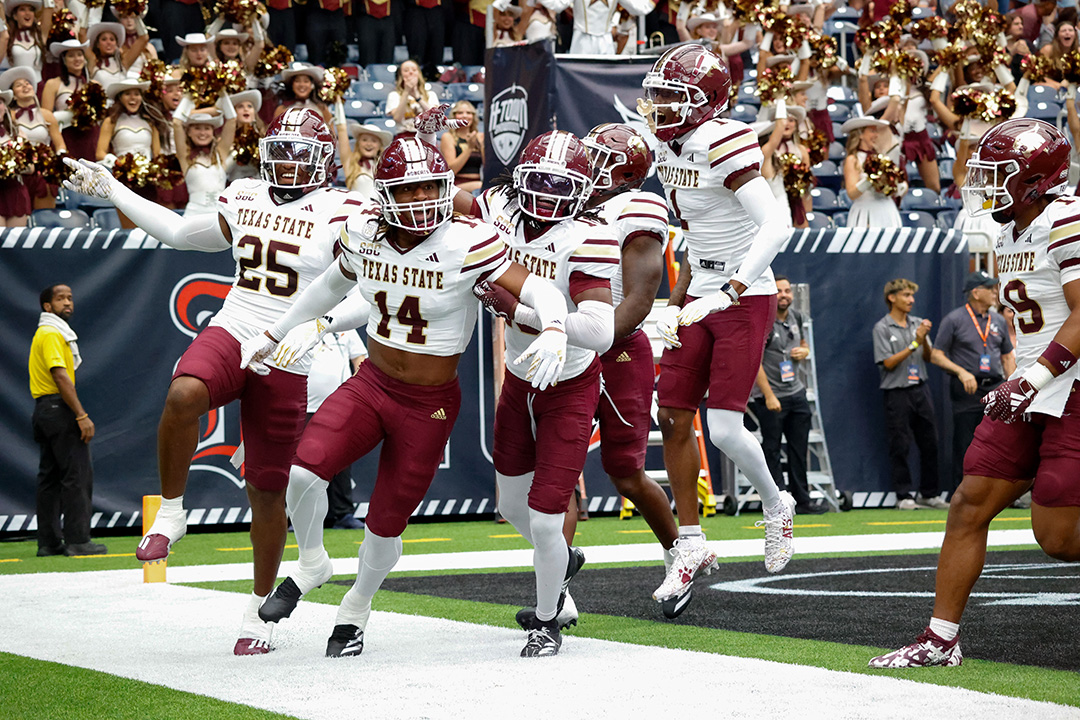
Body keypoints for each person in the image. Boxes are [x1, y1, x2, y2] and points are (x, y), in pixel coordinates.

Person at [238, 134, 570, 659]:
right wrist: (279, 331)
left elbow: (537, 289)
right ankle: (312, 562)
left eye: (428, 188)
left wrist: (554, 326)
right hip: (373, 381)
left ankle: (355, 610)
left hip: (429, 402)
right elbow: (331, 283)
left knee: (385, 522)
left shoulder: (468, 240)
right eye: (408, 190)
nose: (420, 200)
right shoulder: (364, 228)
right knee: (303, 471)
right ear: (386, 194)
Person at [62, 107, 362, 656]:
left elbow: (370, 286)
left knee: (268, 493)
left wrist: (321, 323)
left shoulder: (346, 210)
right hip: (238, 320)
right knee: (183, 393)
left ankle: (260, 612)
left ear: (323, 162)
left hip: (290, 347)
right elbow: (179, 231)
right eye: (283, 151)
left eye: (301, 154)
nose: (290, 164)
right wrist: (114, 190)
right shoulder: (245, 195)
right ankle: (173, 514)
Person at [871, 118, 1080, 668]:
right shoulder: (1011, 227)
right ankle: (941, 639)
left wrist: (1028, 381)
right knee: (968, 503)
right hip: (1033, 383)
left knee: (1057, 537)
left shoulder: (1066, 218)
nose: (986, 184)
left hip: (1070, 381)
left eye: (999, 174)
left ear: (1036, 180)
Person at [639, 44, 797, 611]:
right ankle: (690, 542)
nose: (658, 108)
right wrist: (677, 299)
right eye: (656, 96)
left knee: (726, 429)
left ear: (706, 102)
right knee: (673, 415)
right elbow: (695, 230)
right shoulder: (668, 144)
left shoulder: (718, 139)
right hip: (700, 289)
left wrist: (728, 290)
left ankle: (777, 504)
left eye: (671, 97)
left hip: (743, 294)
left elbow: (776, 224)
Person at [471, 130, 617, 656]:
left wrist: (519, 312)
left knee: (544, 516)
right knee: (511, 503)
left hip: (570, 382)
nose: (549, 197)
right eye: (541, 183)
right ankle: (559, 567)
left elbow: (600, 331)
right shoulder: (498, 207)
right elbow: (457, 201)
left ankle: (547, 619)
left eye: (563, 187)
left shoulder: (589, 236)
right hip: (519, 377)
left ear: (584, 191)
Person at [29, 284, 107, 557]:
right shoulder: (52, 333)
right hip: (57, 408)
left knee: (49, 479)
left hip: (43, 410)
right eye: (60, 298)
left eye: (70, 298)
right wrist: (81, 415)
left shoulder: (45, 331)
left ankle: (48, 543)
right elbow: (60, 376)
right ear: (47, 307)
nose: (67, 303)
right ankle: (78, 540)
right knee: (77, 476)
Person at [930, 271, 1017, 490]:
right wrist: (961, 372)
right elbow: (936, 354)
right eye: (990, 288)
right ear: (975, 293)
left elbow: (1006, 356)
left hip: (996, 385)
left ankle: (1003, 491)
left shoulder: (997, 319)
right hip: (968, 387)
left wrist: (1012, 384)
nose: (995, 292)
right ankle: (963, 492)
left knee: (1002, 440)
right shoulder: (954, 319)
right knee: (966, 441)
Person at [749, 276, 825, 516]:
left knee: (798, 449)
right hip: (770, 396)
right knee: (771, 450)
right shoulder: (764, 321)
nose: (784, 295)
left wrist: (805, 350)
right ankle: (778, 503)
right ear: (771, 293)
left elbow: (802, 344)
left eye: (787, 291)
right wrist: (769, 395)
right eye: (779, 291)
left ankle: (803, 500)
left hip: (796, 392)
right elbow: (755, 362)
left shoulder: (798, 317)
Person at [872, 278, 949, 510]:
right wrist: (915, 342)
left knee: (930, 442)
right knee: (900, 444)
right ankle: (904, 496)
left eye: (912, 296)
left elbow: (928, 357)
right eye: (906, 295)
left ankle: (929, 494)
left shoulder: (917, 323)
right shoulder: (882, 328)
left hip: (920, 389)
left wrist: (924, 339)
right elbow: (888, 363)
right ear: (891, 298)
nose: (911, 300)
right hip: (896, 392)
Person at [304, 322, 368, 530]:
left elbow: (360, 358)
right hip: (302, 405)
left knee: (341, 460)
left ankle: (343, 514)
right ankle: (300, 515)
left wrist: (358, 389)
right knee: (301, 463)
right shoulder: (298, 323)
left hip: (340, 405)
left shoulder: (345, 326)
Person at [438, 100, 483, 193]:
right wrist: (470, 148)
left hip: (478, 181)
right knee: (482, 187)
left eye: (469, 113)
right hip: (457, 183)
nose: (465, 116)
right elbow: (452, 170)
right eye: (460, 113)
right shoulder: (448, 137)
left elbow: (489, 167)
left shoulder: (480, 136)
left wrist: (482, 147)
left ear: (473, 116)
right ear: (454, 116)